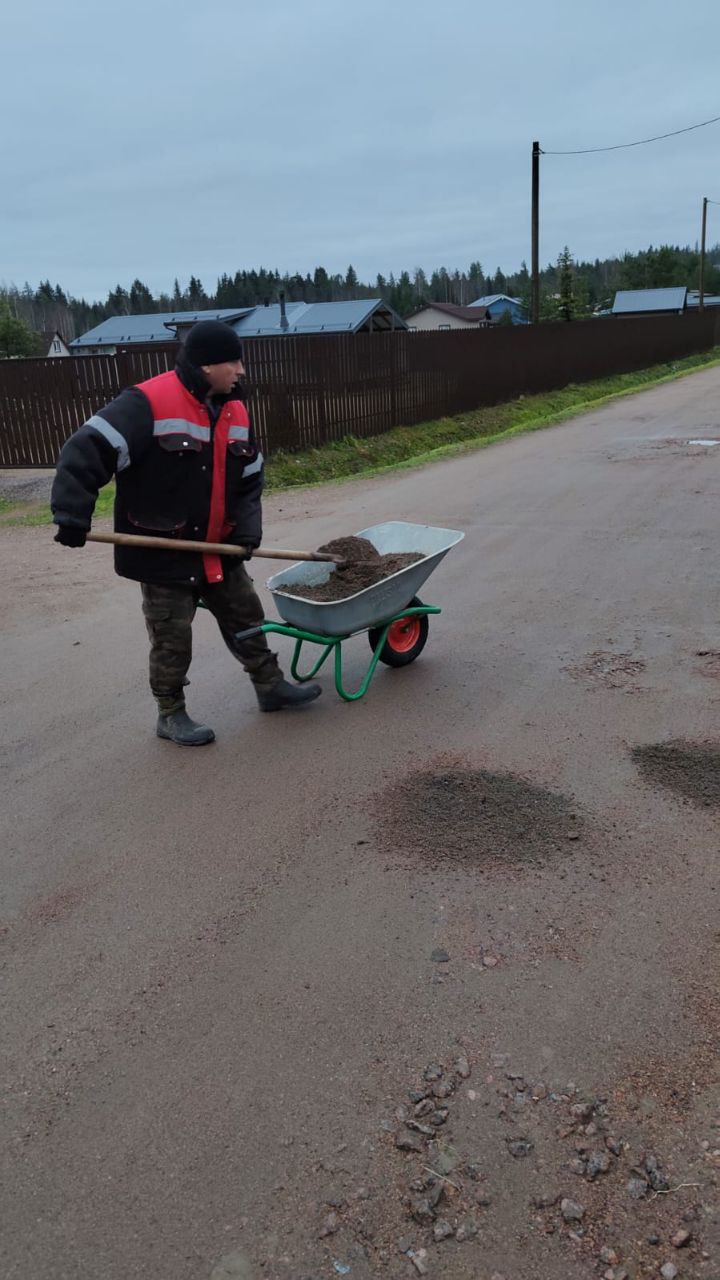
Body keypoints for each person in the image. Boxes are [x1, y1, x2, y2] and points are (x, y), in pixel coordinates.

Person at [51, 319, 321, 745]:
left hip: (219, 545)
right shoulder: (147, 402)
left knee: (246, 617)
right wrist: (71, 513)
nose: (240, 370)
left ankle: (270, 686)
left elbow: (250, 478)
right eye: (232, 361)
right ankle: (171, 713)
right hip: (165, 551)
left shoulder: (235, 409)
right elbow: (86, 449)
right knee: (171, 636)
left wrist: (247, 532)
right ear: (206, 365)